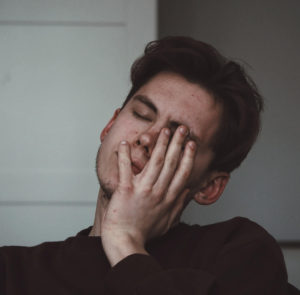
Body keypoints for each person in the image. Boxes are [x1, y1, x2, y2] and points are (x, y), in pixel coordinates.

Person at [0, 36, 299, 295]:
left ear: (209, 186)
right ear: (109, 126)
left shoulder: (240, 252)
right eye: (142, 114)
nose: (146, 138)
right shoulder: (13, 271)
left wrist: (125, 241)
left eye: (179, 138)